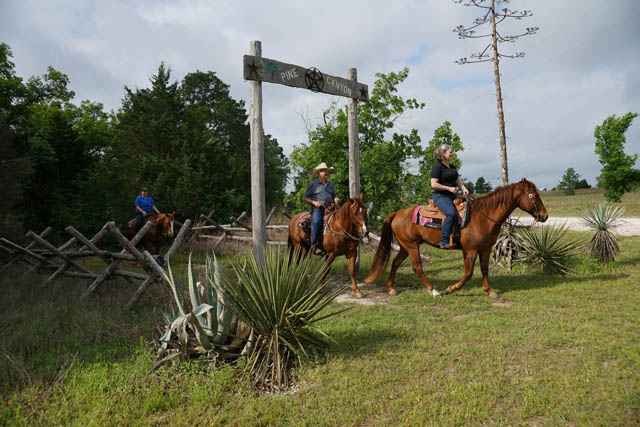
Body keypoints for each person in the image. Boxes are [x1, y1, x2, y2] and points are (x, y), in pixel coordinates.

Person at [430, 145, 469, 249]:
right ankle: (444, 241)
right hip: (440, 196)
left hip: (452, 196)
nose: (452, 154)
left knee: (468, 211)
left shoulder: (452, 167)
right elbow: (433, 184)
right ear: (443, 154)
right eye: (450, 152)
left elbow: (457, 180)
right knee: (451, 214)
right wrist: (449, 188)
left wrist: (463, 188)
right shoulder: (437, 168)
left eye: (452, 152)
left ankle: (461, 237)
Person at [303, 163, 340, 255]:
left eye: (327, 171)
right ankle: (314, 245)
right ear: (319, 173)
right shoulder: (313, 184)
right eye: (324, 171)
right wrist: (314, 202)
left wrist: (336, 199)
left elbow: (334, 195)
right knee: (316, 222)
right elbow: (305, 198)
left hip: (330, 208)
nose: (326, 173)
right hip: (318, 208)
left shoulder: (330, 184)